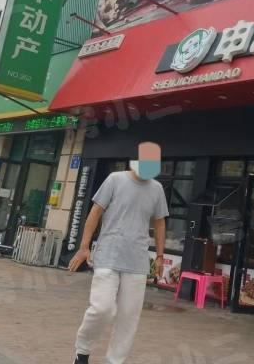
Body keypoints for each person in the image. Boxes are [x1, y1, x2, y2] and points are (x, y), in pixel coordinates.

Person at [68, 142, 169, 364]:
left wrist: (160, 256)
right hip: (108, 255)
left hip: (137, 261)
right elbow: (95, 212)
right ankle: (82, 351)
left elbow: (160, 222)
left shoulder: (157, 189)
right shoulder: (115, 179)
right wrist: (84, 247)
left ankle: (115, 360)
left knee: (128, 318)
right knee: (102, 308)